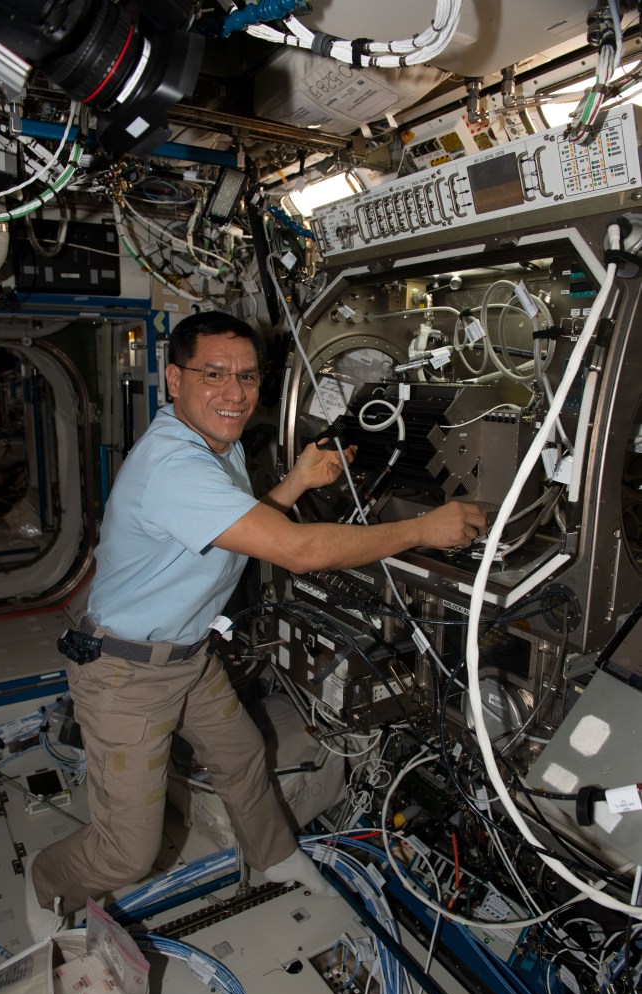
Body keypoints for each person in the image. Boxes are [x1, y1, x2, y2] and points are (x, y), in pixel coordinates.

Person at [24, 311, 488, 941]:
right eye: (213, 374)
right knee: (127, 854)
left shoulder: (218, 446)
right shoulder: (174, 466)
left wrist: (297, 480)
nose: (234, 392)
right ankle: (47, 880)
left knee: (243, 757)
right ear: (172, 378)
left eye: (246, 376)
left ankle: (274, 858)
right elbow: (295, 551)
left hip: (186, 655)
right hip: (126, 674)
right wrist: (421, 531)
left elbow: (238, 530)